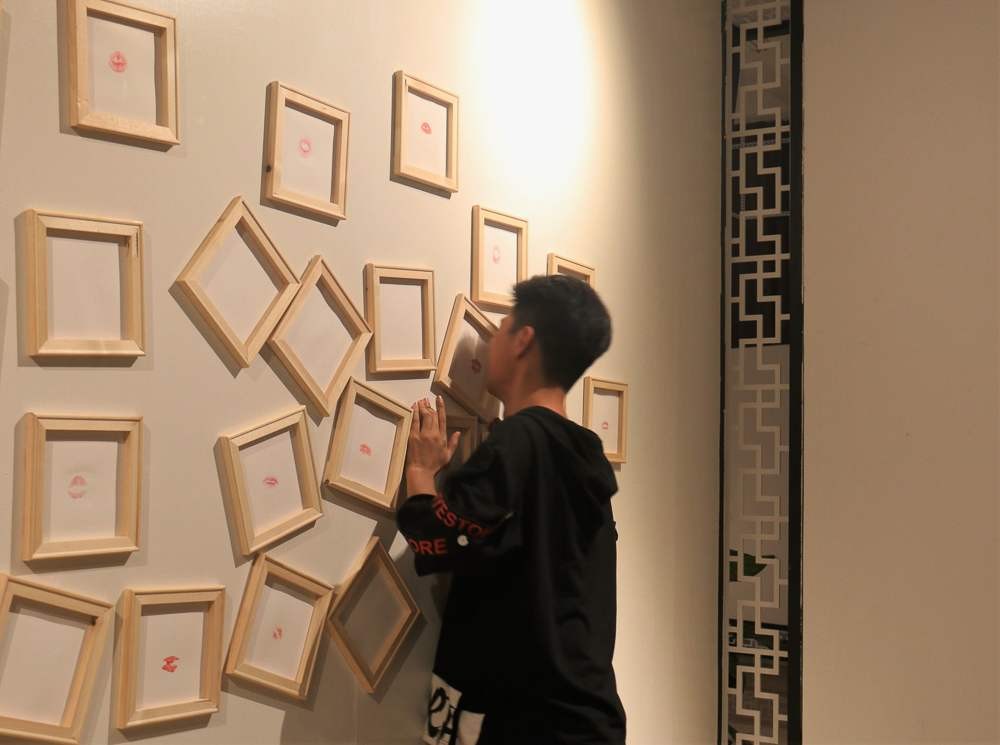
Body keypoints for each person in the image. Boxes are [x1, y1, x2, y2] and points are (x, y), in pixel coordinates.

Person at [398, 274, 626, 745]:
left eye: (501, 329)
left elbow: (439, 539)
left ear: (523, 341)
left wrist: (420, 473)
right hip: (586, 719)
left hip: (530, 723)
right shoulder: (585, 453)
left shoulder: (521, 443)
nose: (491, 343)